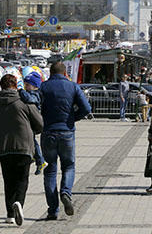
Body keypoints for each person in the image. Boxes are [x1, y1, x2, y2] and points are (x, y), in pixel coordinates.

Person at [38, 62, 92, 220]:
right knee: (69, 166)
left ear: (50, 72)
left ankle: (53, 210)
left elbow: (35, 105)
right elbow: (87, 109)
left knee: (50, 170)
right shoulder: (73, 87)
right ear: (64, 73)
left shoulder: (44, 87)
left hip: (48, 132)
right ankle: (66, 192)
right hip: (67, 132)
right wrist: (73, 118)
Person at [0, 74, 44, 226]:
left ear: (1, 86)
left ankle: (10, 214)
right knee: (22, 179)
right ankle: (19, 203)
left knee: (8, 180)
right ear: (15, 85)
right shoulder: (24, 99)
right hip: (23, 146)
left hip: (3, 146)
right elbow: (39, 123)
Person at [18, 71, 48, 175]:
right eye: (25, 84)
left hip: (33, 121)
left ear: (35, 86)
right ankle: (35, 158)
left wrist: (21, 91)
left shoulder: (35, 95)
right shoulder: (32, 92)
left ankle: (40, 160)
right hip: (29, 120)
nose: (26, 87)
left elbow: (28, 99)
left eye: (28, 85)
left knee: (33, 141)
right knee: (31, 140)